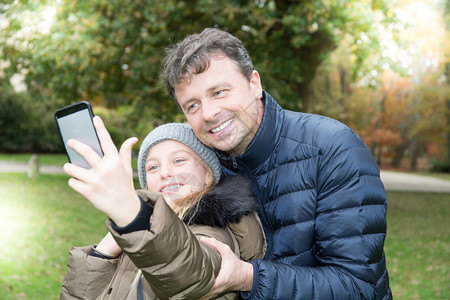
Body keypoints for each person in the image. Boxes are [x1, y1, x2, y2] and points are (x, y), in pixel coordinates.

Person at [161, 28, 392, 299]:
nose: (209, 113)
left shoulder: (333, 148)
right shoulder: (205, 170)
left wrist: (248, 277)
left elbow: (358, 287)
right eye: (192, 106)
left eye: (219, 92)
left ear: (254, 83)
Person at [60, 122, 266, 299]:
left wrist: (133, 219)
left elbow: (190, 273)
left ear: (208, 174)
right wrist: (102, 252)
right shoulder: (135, 237)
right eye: (153, 167)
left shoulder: (213, 231)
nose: (166, 173)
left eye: (178, 161)